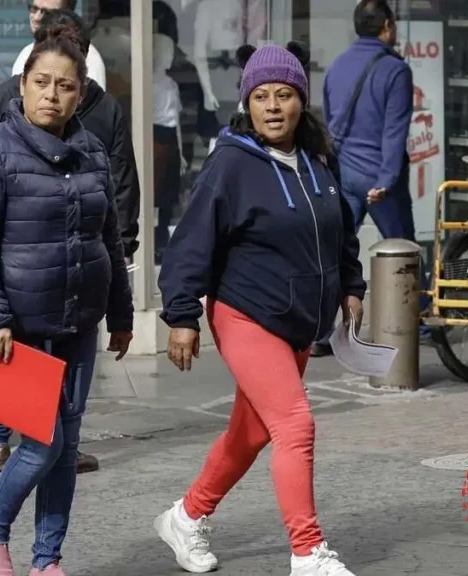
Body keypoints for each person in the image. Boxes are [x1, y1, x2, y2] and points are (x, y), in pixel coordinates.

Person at [154, 42, 366, 576]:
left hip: (296, 321)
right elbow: (191, 243)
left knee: (250, 433)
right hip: (245, 313)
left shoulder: (318, 160)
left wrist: (352, 284)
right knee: (296, 426)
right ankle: (308, 552)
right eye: (262, 96)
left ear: (301, 102)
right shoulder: (231, 164)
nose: (273, 106)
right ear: (247, 103)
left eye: (285, 95)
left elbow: (339, 228)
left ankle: (187, 515)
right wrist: (181, 315)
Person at [0, 24, 134, 576]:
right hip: (19, 325)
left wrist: (122, 313)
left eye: (64, 85)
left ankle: (47, 561)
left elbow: (108, 238)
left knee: (66, 444)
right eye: (41, 82)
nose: (52, 94)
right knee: (43, 444)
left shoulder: (91, 150)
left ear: (81, 93)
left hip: (79, 318)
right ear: (22, 85)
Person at [317, 0, 419, 356]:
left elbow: (329, 122)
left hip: (343, 172)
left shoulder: (338, 66)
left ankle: (318, 333)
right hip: (379, 176)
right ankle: (413, 323)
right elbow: (395, 130)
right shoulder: (395, 71)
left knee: (337, 250)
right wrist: (387, 179)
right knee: (403, 248)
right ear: (387, 26)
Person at [12, 0, 106, 89]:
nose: (36, 18)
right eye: (34, 9)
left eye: (46, 13)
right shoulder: (25, 54)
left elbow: (96, 104)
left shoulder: (89, 59)